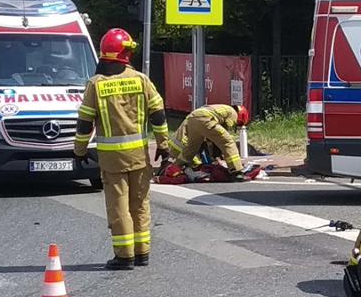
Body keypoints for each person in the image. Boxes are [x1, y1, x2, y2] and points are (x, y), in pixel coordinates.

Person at [73, 28, 170, 269]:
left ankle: (124, 256)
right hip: (139, 156)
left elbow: (85, 122)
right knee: (140, 204)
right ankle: (142, 253)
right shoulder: (141, 79)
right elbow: (158, 114)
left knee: (119, 206)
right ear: (125, 53)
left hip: (112, 160)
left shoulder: (95, 85)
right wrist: (164, 145)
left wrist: (79, 150)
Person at [172, 103, 249, 179]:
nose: (236, 125)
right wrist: (219, 153)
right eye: (238, 124)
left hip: (192, 118)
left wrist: (215, 154)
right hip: (206, 118)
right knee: (228, 142)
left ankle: (175, 168)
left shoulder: (223, 108)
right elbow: (225, 130)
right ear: (241, 117)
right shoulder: (233, 113)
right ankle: (236, 171)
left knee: (192, 147)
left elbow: (211, 138)